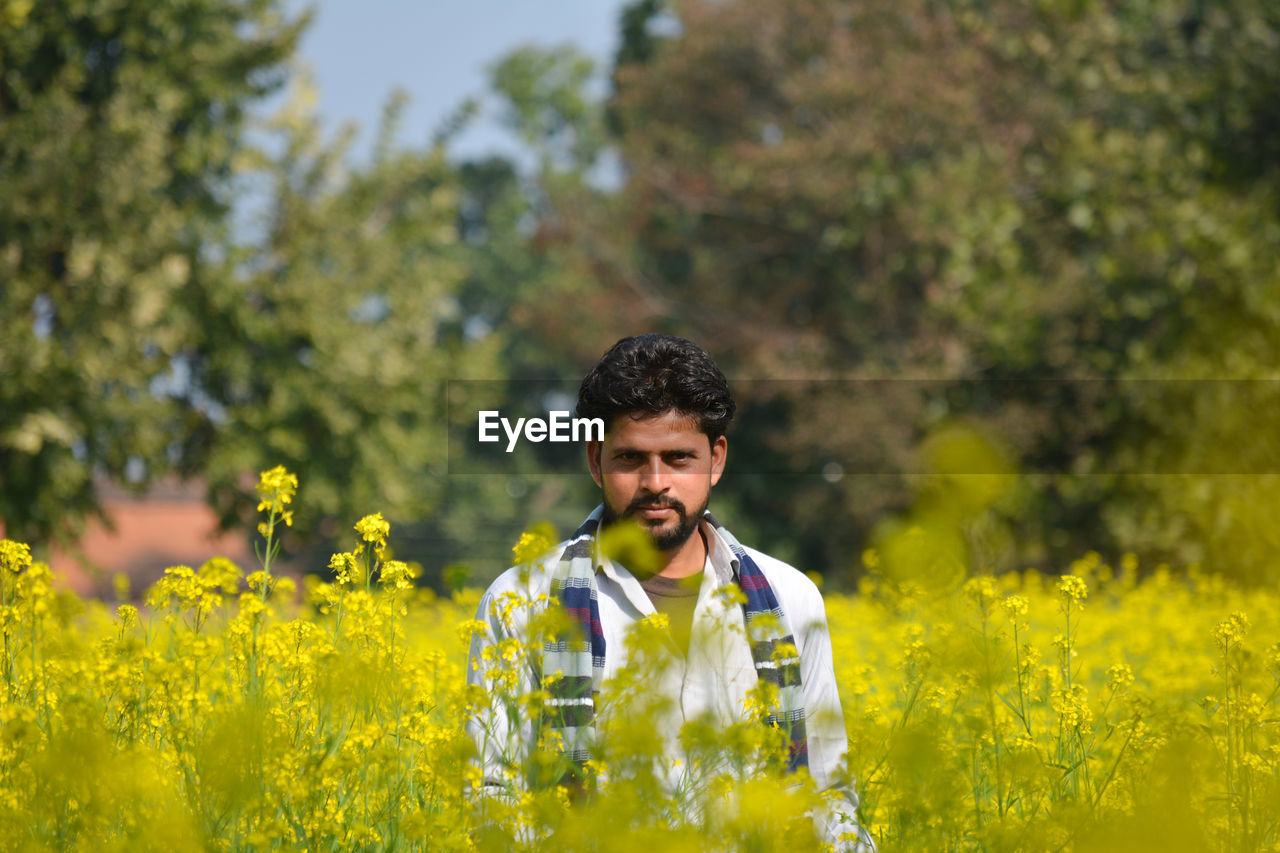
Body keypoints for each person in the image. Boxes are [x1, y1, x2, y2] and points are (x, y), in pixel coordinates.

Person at [466, 334, 874, 850]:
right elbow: (494, 801)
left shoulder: (790, 600)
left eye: (679, 458)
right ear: (595, 460)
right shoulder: (520, 603)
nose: (655, 482)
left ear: (716, 460)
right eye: (630, 458)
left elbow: (829, 799)